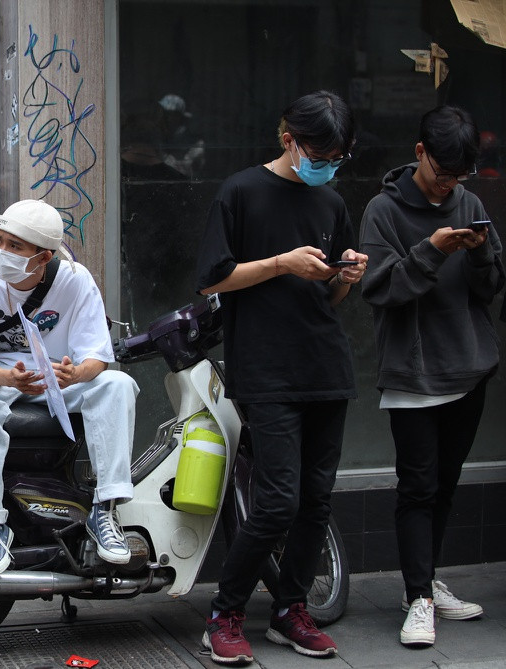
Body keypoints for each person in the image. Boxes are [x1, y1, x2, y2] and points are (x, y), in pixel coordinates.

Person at [195, 91, 366, 664]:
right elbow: (213, 281)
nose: (327, 166)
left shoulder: (331, 201)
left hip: (325, 365)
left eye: (337, 157)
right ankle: (226, 613)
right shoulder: (241, 191)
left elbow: (331, 297)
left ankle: (292, 610)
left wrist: (346, 275)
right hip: (265, 369)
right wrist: (280, 263)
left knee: (316, 501)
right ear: (288, 138)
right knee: (276, 502)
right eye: (319, 152)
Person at [359, 105, 503, 648]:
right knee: (417, 487)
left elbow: (489, 289)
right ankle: (418, 599)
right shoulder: (383, 209)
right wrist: (432, 250)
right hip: (413, 374)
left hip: (469, 367)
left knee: (444, 484)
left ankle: (425, 583)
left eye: (459, 176)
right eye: (443, 173)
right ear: (420, 154)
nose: (450, 186)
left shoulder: (469, 201)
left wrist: (484, 250)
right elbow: (380, 289)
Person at [0, 199, 138, 580]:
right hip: (0, 374)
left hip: (58, 377)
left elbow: (97, 357)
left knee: (117, 384)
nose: (1, 251)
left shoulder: (75, 280)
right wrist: (9, 379)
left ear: (43, 257)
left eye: (15, 246)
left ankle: (105, 508)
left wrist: (76, 374)